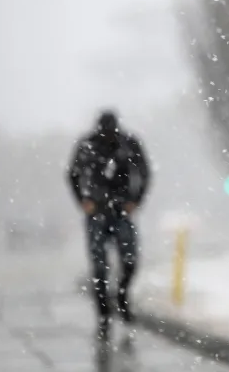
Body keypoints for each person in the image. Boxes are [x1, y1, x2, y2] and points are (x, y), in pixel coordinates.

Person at [67, 110, 151, 340]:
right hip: (97, 212)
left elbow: (144, 172)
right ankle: (104, 314)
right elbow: (73, 174)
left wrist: (136, 200)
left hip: (122, 211)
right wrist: (83, 201)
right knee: (99, 267)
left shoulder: (128, 143)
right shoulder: (87, 145)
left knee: (130, 260)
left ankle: (122, 297)